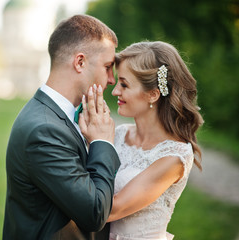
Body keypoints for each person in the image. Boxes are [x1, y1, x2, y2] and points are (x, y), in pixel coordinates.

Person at [2, 14, 121, 239]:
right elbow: (94, 213)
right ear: (80, 62)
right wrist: (102, 142)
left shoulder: (55, 117)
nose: (111, 79)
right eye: (107, 67)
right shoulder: (44, 130)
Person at [79, 41, 204, 240]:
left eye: (125, 85)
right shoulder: (119, 134)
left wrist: (99, 142)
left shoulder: (174, 157)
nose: (115, 91)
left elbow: (111, 210)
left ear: (153, 94)